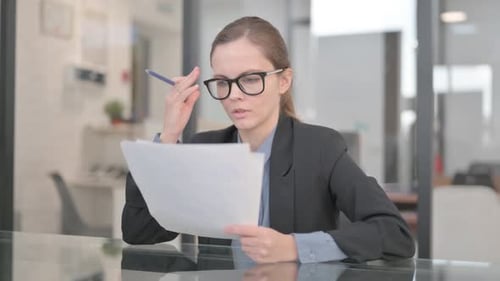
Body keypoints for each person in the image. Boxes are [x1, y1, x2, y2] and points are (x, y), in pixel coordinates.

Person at [122, 16, 415, 264]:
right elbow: (139, 232)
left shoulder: (321, 148)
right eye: (223, 82)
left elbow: (394, 233)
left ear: (283, 81)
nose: (234, 94)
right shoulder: (205, 149)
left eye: (250, 79)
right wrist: (170, 136)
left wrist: (294, 247)